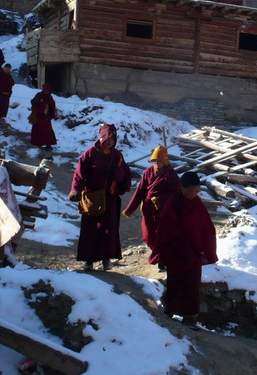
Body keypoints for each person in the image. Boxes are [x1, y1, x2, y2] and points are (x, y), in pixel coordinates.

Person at [156, 171, 217, 327]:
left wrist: (206, 250)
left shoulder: (198, 205)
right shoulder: (172, 203)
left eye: (197, 191)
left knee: (192, 285)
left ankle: (189, 317)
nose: (193, 193)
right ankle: (169, 310)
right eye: (190, 190)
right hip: (176, 251)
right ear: (181, 187)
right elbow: (167, 227)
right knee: (175, 282)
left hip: (195, 252)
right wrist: (179, 247)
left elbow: (206, 228)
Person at [68, 124, 131, 271]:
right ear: (101, 137)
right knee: (90, 230)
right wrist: (76, 189)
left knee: (108, 230)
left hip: (110, 198)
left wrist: (118, 174)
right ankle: (88, 261)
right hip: (91, 198)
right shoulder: (89, 154)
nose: (110, 141)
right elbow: (79, 173)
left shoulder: (117, 155)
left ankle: (106, 260)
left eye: (113, 139)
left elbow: (126, 173)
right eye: (107, 138)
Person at [123, 146, 181, 270]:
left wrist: (165, 201)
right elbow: (140, 191)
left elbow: (177, 193)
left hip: (164, 210)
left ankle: (162, 260)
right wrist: (130, 208)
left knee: (162, 234)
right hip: (148, 209)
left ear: (164, 161)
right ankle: (159, 254)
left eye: (159, 161)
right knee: (148, 235)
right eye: (154, 161)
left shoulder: (171, 174)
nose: (156, 163)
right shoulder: (148, 172)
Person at [29, 84, 58, 148]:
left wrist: (51, 114)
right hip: (38, 115)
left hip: (46, 116)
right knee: (37, 129)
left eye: (48, 90)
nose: (47, 92)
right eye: (46, 90)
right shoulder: (39, 95)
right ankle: (37, 142)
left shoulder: (50, 97)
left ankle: (48, 144)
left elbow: (52, 106)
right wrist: (39, 102)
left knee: (48, 130)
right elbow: (33, 102)